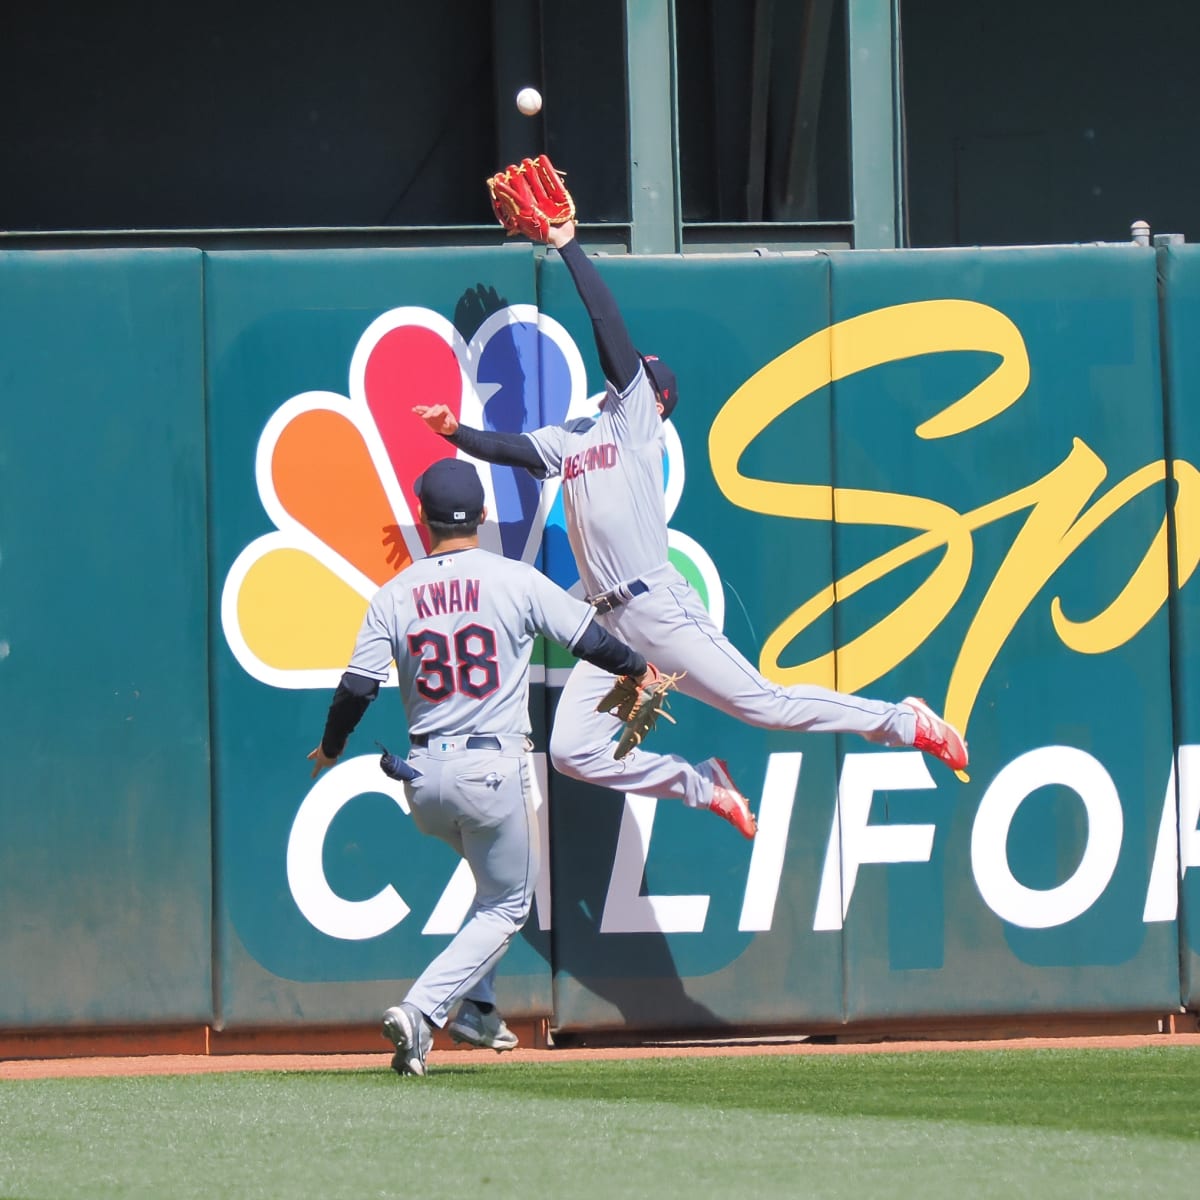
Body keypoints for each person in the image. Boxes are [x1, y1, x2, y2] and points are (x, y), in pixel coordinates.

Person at [412, 219, 967, 836]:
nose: (622, 379)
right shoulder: (574, 437)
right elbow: (513, 449)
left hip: (658, 608)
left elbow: (608, 330)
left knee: (766, 706)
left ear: (657, 401)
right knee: (571, 752)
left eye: (638, 379)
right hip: (609, 625)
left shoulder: (635, 424)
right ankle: (704, 785)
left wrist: (569, 244)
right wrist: (454, 433)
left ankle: (904, 722)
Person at [307, 457, 680, 1077]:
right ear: (482, 514)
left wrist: (332, 747)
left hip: (422, 778)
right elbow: (592, 640)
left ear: (421, 515)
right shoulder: (515, 579)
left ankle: (476, 1006)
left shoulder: (394, 594)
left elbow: (355, 689)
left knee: (491, 892)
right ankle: (422, 1013)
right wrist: (640, 670)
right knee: (508, 905)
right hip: (491, 769)